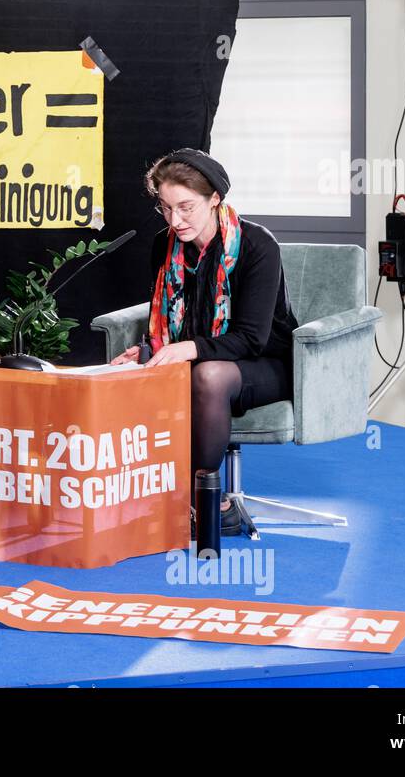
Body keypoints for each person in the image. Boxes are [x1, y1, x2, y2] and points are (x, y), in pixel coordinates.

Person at [110, 148, 300, 536]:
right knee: (146, 371)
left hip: (267, 364)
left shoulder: (258, 246)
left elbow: (251, 338)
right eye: (165, 208)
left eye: (186, 207)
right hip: (202, 359)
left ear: (215, 199)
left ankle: (210, 500)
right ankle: (150, 493)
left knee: (209, 376)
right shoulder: (165, 246)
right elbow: (170, 322)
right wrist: (149, 350)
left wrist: (187, 349)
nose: (174, 220)